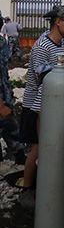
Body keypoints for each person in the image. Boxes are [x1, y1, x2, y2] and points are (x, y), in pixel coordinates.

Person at [19, 4, 64, 202]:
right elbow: (40, 79)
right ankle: (26, 190)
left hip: (56, 102)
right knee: (38, 148)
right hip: (37, 104)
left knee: (52, 145)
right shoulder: (42, 46)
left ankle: (44, 184)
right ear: (57, 22)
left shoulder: (63, 41)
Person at [0, 31, 24, 164]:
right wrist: (1, 106)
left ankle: (19, 160)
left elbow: (3, 70)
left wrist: (7, 87)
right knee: (10, 127)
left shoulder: (2, 42)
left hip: (4, 94)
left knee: (11, 128)